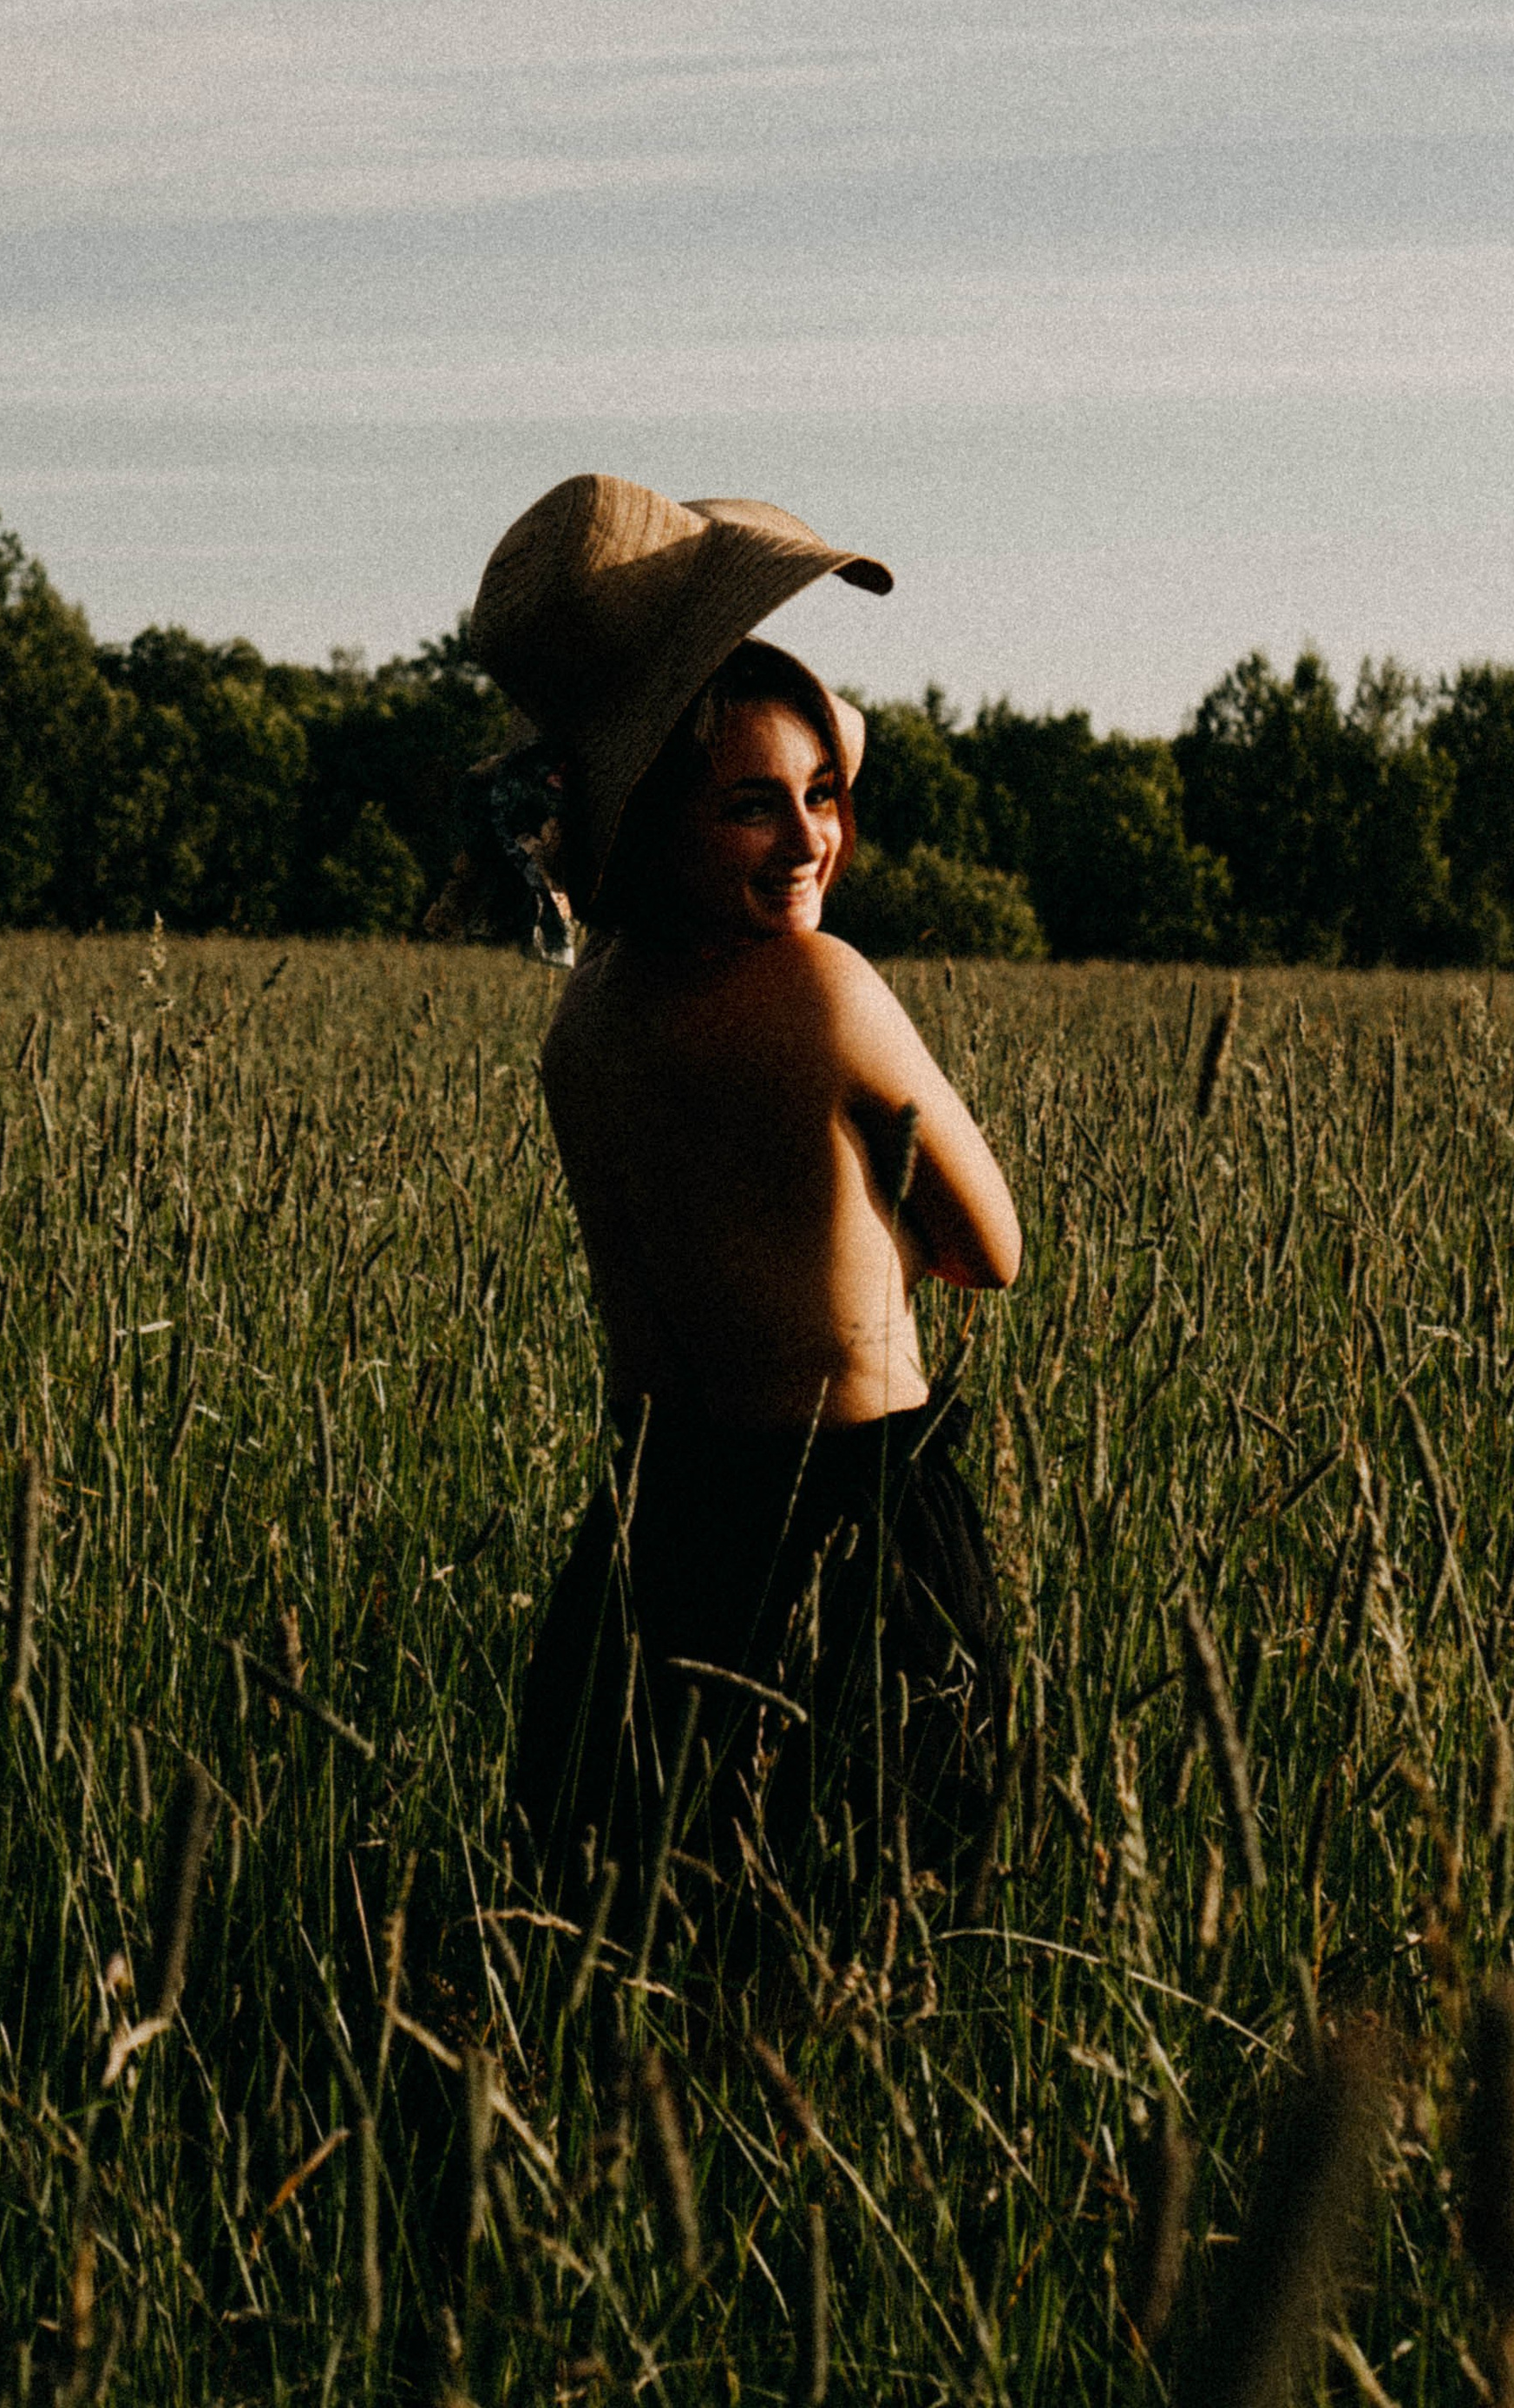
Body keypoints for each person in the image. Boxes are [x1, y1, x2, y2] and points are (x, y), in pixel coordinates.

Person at [456, 474, 1022, 1942]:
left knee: (644, 1947)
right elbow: (992, 1250)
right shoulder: (829, 993)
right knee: (850, 1959)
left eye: (822, 796)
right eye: (751, 809)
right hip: (850, 1533)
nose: (807, 841)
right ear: (653, 822)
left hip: (649, 1551)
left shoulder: (581, 1027)